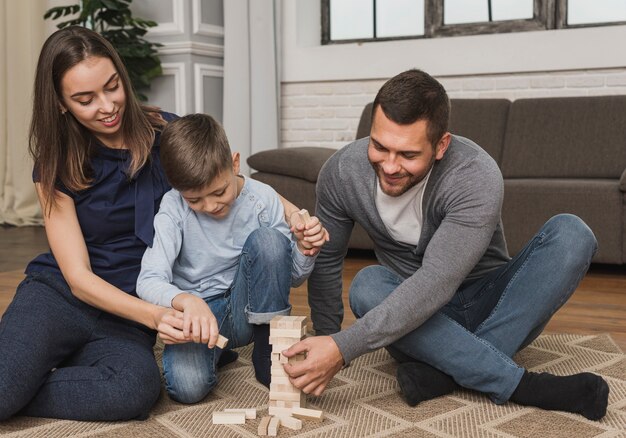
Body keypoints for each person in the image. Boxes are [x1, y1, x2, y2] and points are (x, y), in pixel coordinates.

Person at [281, 69, 609, 421]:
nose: (389, 166)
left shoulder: (474, 174)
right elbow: (328, 258)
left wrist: (344, 348)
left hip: (490, 302)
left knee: (573, 234)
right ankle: (469, 367)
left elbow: (438, 280)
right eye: (379, 146)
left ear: (441, 145)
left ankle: (497, 381)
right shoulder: (342, 172)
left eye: (407, 154)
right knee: (368, 286)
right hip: (415, 316)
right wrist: (327, 339)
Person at [0, 26, 190, 421]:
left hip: (126, 317)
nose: (107, 106)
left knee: (133, 390)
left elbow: (230, 184)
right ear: (60, 104)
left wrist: (293, 215)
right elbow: (78, 279)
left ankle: (26, 384)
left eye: (112, 86)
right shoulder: (54, 165)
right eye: (85, 99)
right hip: (58, 298)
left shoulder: (168, 132)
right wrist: (156, 316)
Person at [136, 113, 328, 404]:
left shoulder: (262, 198)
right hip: (202, 316)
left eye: (219, 192)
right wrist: (186, 301)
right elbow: (148, 280)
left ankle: (267, 350)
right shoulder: (172, 208)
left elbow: (291, 278)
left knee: (269, 240)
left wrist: (303, 249)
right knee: (187, 388)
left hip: (249, 306)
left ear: (235, 164)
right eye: (195, 200)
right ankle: (219, 351)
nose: (210, 206)